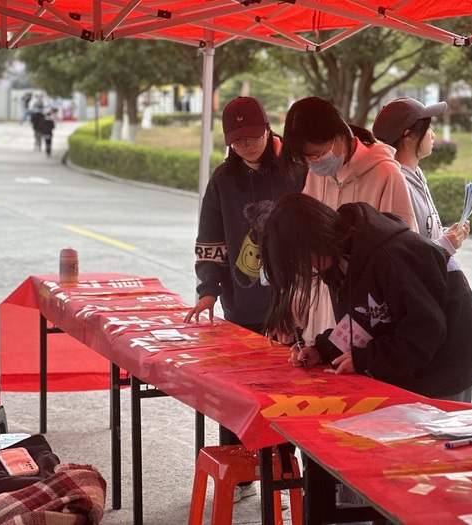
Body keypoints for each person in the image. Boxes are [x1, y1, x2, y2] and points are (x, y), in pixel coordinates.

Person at [184, 96, 305, 505]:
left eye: (252, 136)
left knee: (286, 394)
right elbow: (211, 239)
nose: (246, 145)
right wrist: (208, 290)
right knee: (238, 395)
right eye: (237, 140)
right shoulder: (223, 179)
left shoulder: (297, 167)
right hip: (242, 304)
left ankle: (285, 472)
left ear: (268, 129)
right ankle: (241, 475)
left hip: (295, 304)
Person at [262, 193, 472, 402]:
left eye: (301, 258)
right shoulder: (340, 256)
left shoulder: (389, 255)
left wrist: (365, 360)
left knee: (429, 431)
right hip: (418, 358)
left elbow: (424, 332)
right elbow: (364, 318)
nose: (306, 267)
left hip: (446, 366)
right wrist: (323, 350)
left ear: (314, 237)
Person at [279, 96, 417, 346]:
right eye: (305, 158)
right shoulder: (317, 175)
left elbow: (403, 258)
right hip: (322, 315)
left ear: (340, 135)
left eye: (316, 154)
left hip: (365, 317)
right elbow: (305, 244)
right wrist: (292, 310)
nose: (313, 163)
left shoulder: (386, 174)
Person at [372, 97, 470, 254]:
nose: (433, 135)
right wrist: (446, 244)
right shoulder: (399, 183)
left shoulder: (416, 174)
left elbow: (424, 234)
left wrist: (446, 235)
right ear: (409, 135)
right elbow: (407, 251)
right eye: (428, 128)